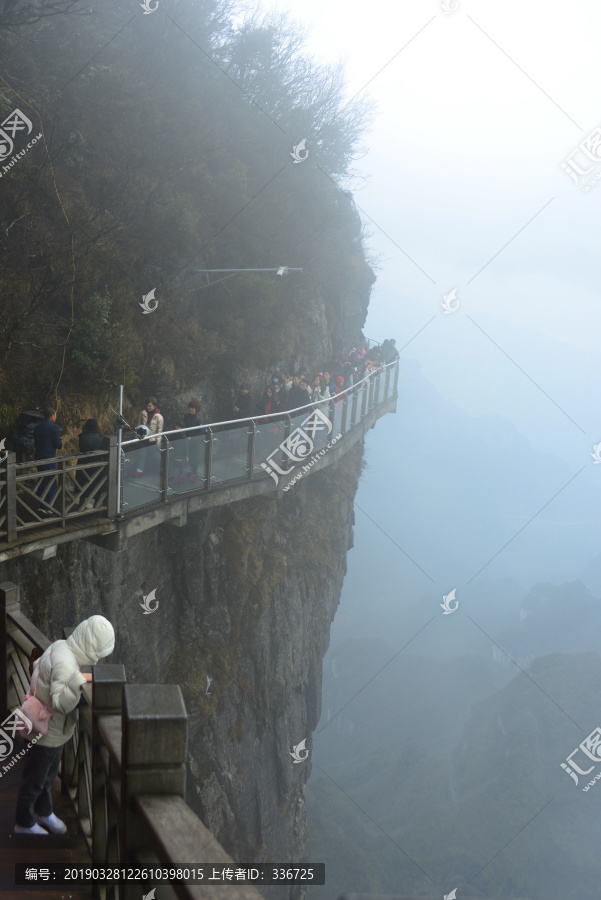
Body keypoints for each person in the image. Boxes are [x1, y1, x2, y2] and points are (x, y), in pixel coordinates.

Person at [14, 615, 115, 835]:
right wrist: (78, 681)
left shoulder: (61, 646)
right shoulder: (65, 664)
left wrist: (78, 675)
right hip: (45, 734)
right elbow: (61, 703)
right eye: (97, 652)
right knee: (34, 780)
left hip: (49, 731)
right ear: (89, 645)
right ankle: (23, 823)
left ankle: (43, 811)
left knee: (46, 777)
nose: (97, 659)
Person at [34, 408, 62, 516]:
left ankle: (41, 505)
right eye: (55, 415)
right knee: (52, 482)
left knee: (42, 481)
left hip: (38, 456)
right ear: (52, 416)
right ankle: (47, 506)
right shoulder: (54, 427)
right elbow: (58, 445)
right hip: (49, 458)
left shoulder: (38, 426)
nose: (56, 417)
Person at [77, 419, 104, 510]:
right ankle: (97, 504)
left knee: (83, 485)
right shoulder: (100, 439)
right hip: (96, 466)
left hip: (83, 465)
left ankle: (81, 504)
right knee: (97, 484)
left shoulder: (81, 437)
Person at [135, 398, 164, 477]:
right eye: (147, 405)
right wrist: (137, 436)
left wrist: (158, 442)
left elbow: (159, 430)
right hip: (144, 438)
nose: (148, 407)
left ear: (154, 406)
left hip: (153, 439)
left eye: (150, 406)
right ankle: (139, 470)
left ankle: (162, 468)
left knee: (156, 456)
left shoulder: (159, 417)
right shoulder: (143, 413)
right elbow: (139, 425)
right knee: (142, 454)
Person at [183, 399, 206, 483]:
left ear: (196, 409)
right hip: (188, 441)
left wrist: (191, 438)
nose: (191, 409)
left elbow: (201, 433)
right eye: (190, 407)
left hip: (196, 442)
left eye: (193, 408)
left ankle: (194, 474)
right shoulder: (186, 416)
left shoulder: (199, 420)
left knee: (194, 458)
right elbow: (185, 427)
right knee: (190, 457)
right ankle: (192, 472)